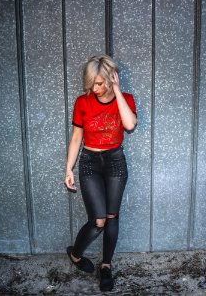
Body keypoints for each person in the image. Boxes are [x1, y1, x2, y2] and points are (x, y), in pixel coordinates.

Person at [64, 54, 137, 292]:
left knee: (112, 217)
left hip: (115, 161)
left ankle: (106, 266)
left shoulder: (124, 99)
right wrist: (69, 168)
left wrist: (116, 91)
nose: (94, 88)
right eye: (91, 83)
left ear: (110, 79)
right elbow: (76, 137)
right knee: (98, 221)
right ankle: (75, 254)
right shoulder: (82, 102)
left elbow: (130, 125)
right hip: (89, 162)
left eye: (99, 83)